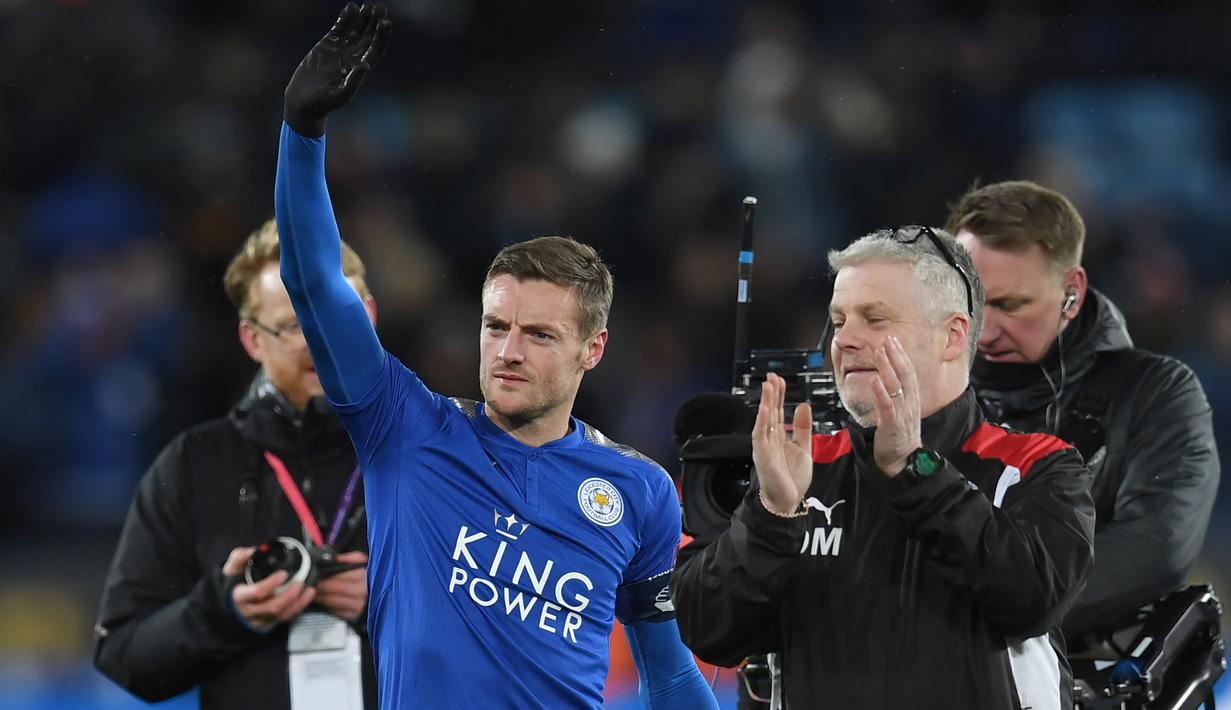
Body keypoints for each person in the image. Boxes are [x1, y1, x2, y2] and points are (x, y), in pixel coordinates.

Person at [272, 4, 718, 708]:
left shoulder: (639, 492)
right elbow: (314, 284)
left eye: (538, 334)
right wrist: (303, 132)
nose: (507, 351)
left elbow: (666, 673)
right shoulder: (404, 427)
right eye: (495, 326)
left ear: (591, 350)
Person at [672, 225, 1097, 710]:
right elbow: (705, 629)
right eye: (839, 319)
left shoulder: (1033, 466)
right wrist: (771, 518)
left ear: (953, 337)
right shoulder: (795, 472)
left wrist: (914, 469)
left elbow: (1030, 599)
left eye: (875, 320)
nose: (844, 340)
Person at [93, 219, 379, 709]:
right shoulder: (194, 465)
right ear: (252, 340)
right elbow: (123, 655)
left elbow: (522, 621)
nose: (322, 339)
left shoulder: (428, 452)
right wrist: (224, 612)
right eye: (294, 325)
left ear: (369, 315)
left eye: (339, 314)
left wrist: (392, 602)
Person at [946, 180, 1221, 649]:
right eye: (970, 301)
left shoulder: (1155, 394)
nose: (985, 331)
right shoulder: (916, 394)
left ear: (1071, 291)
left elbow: (1154, 547)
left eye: (1012, 305)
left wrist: (970, 628)